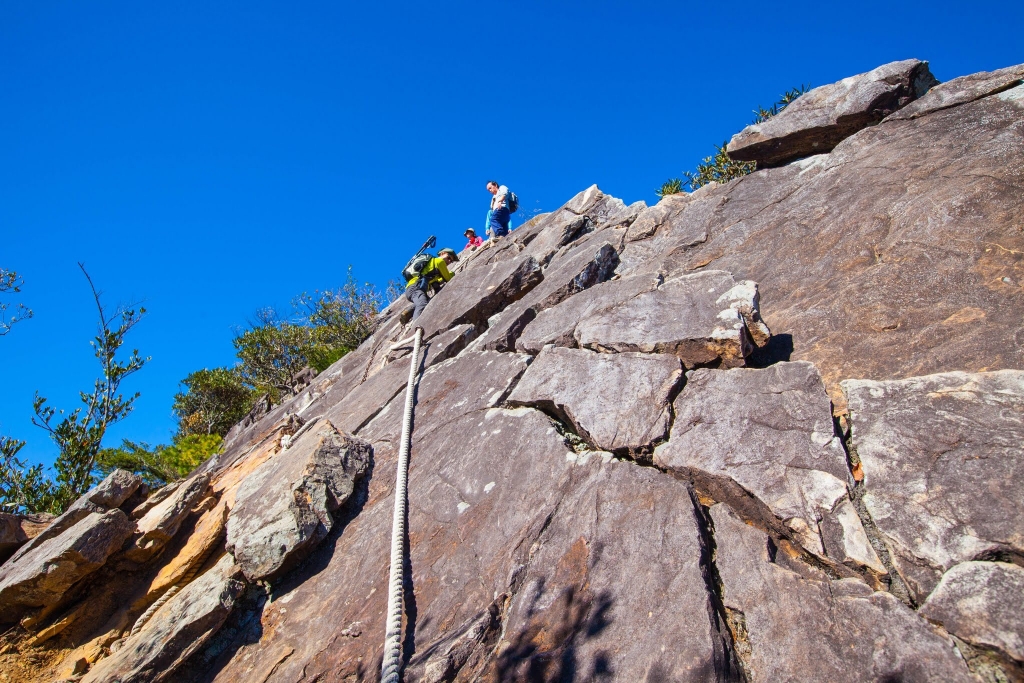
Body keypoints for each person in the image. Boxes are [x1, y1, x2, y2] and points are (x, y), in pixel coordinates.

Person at [405, 248, 459, 320]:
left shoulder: (432, 266)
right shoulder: (439, 261)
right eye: (448, 258)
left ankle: (407, 312)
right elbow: (448, 278)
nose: (449, 261)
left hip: (414, 289)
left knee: (428, 302)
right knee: (422, 304)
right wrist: (452, 274)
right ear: (442, 253)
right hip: (415, 288)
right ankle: (416, 324)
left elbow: (437, 282)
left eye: (451, 261)